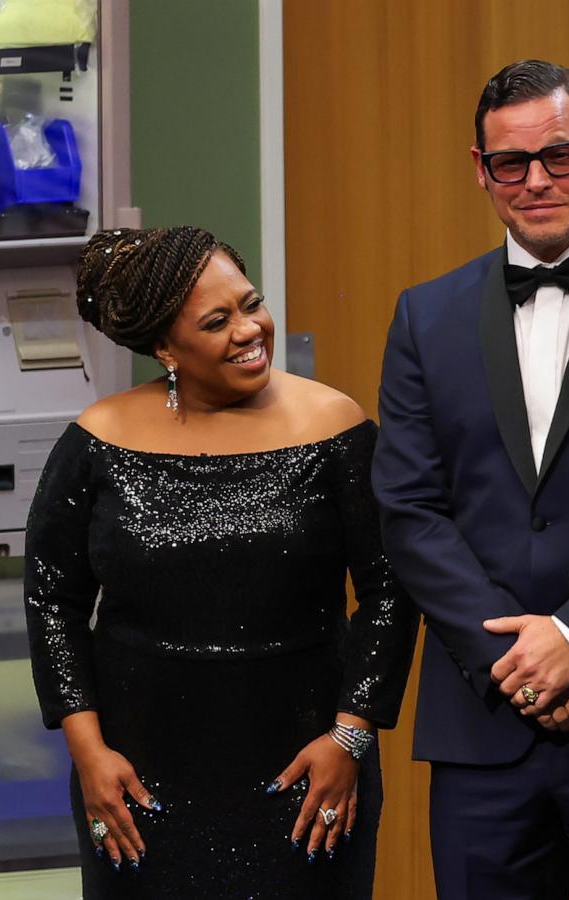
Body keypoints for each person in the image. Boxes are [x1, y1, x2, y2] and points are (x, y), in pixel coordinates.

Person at [23, 226, 418, 899]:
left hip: (307, 766)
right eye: (217, 320)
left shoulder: (335, 425)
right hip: (138, 779)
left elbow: (388, 586)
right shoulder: (97, 439)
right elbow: (51, 598)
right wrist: (88, 755)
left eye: (250, 303)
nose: (249, 329)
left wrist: (350, 738)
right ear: (164, 348)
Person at [372, 60, 569, 900]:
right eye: (511, 162)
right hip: (483, 720)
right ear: (480, 168)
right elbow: (409, 510)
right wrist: (514, 658)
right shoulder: (424, 316)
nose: (536, 180)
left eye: (560, 155)